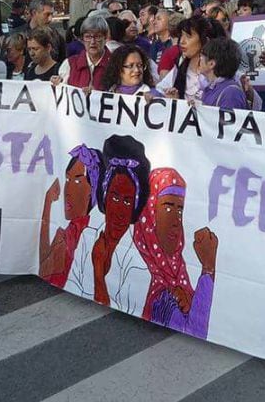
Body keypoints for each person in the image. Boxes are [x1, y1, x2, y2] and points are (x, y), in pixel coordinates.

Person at [133, 167, 217, 338]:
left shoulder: (176, 273)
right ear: (150, 211)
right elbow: (195, 331)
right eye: (168, 207)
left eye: (180, 210)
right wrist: (208, 268)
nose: (176, 221)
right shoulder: (139, 269)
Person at [91, 135, 150, 306]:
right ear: (104, 196)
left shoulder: (137, 260)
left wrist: (98, 275)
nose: (119, 212)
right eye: (115, 198)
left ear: (135, 206)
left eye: (127, 201)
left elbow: (130, 306)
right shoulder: (86, 236)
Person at [39, 144, 102, 288]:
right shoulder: (69, 231)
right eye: (68, 180)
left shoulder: (83, 233)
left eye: (78, 181)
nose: (68, 190)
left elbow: (45, 269)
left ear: (93, 190)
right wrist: (47, 202)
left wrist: (48, 204)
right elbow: (44, 265)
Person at [157, 16, 219, 101]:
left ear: (205, 40)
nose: (182, 41)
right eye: (181, 36)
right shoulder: (181, 66)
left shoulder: (218, 71)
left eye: (188, 36)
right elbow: (160, 89)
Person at [56, 16, 112, 90]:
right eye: (88, 37)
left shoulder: (115, 64)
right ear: (82, 39)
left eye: (98, 37)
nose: (92, 42)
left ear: (105, 38)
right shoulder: (70, 64)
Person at [194, 37, 246, 109]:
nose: (199, 59)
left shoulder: (231, 93)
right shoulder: (210, 88)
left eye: (201, 56)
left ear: (211, 64)